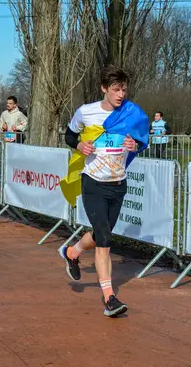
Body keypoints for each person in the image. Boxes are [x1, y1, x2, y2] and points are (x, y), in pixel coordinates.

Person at [58, 65, 149, 317]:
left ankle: (72, 252)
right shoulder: (86, 112)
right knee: (105, 240)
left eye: (124, 89)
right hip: (93, 183)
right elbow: (68, 135)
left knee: (101, 235)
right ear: (104, 89)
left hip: (118, 183)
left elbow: (142, 139)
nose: (121, 94)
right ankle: (110, 299)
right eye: (116, 89)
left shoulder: (131, 114)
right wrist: (79, 145)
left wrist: (135, 144)